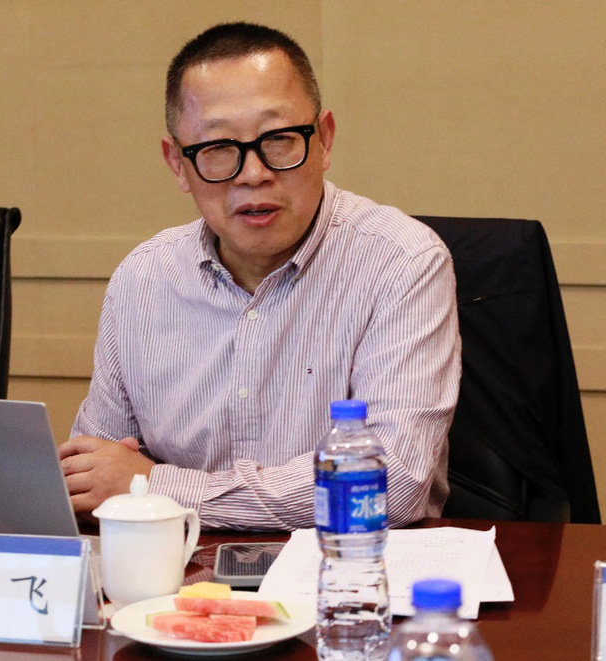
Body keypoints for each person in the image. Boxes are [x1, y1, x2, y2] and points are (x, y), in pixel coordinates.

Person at [58, 22, 461, 531]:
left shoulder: (402, 262)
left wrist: (157, 487)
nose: (253, 174)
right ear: (177, 164)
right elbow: (97, 471)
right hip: (177, 572)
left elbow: (390, 483)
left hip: (349, 566)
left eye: (279, 139)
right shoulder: (142, 279)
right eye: (218, 148)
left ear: (324, 139)